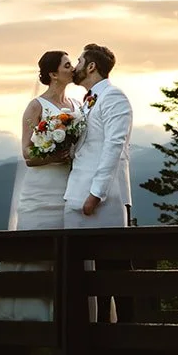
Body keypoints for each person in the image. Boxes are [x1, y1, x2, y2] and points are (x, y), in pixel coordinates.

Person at [0, 50, 81, 324]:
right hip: (42, 190)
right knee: (34, 253)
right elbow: (28, 154)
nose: (72, 68)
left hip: (70, 187)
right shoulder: (36, 106)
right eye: (67, 65)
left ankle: (66, 316)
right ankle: (26, 318)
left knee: (69, 254)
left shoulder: (76, 104)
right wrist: (54, 154)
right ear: (53, 74)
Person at [63, 43, 132, 323]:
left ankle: (126, 333)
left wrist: (96, 194)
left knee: (114, 272)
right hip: (77, 193)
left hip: (104, 198)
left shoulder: (114, 97)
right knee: (84, 274)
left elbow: (113, 146)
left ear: (91, 66)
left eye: (79, 61)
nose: (76, 66)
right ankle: (93, 331)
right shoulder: (87, 101)